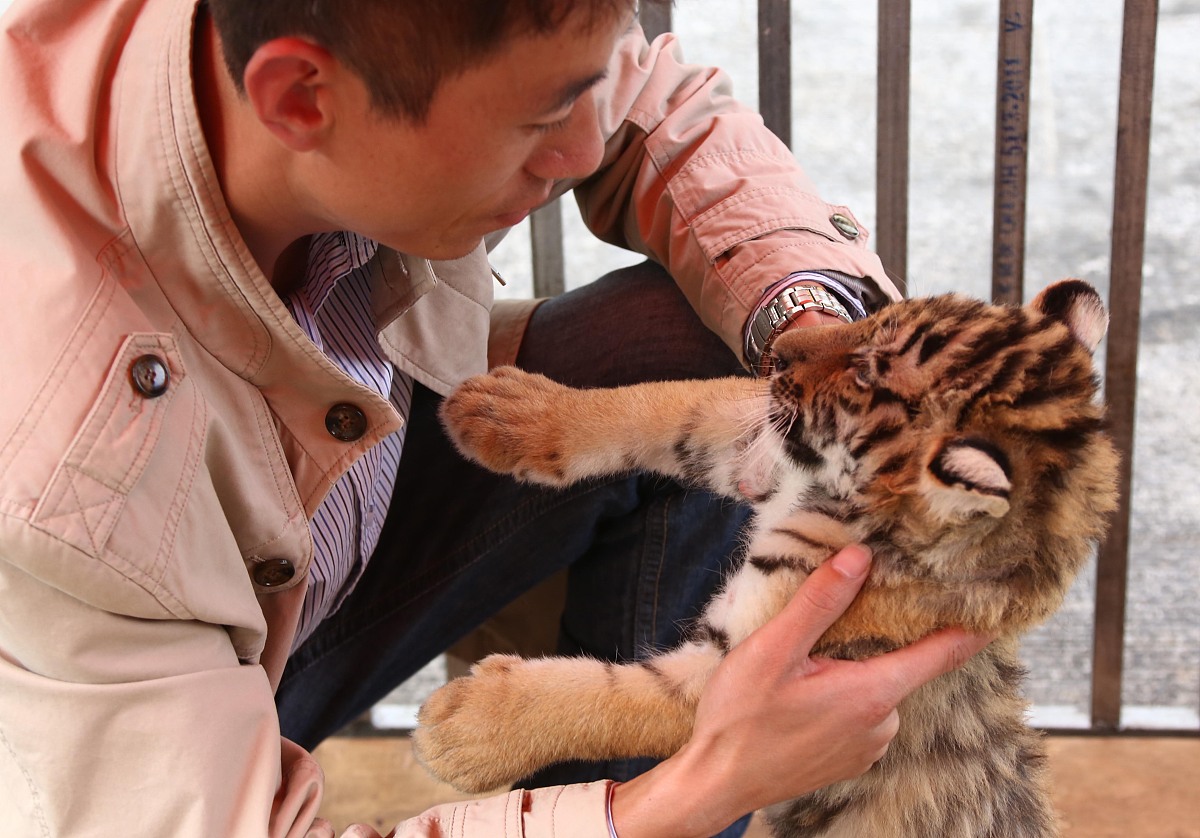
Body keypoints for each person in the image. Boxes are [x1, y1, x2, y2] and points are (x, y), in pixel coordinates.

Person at [0, 0, 990, 835]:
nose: (588, 144)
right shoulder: (59, 458)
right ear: (302, 97)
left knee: (707, 349)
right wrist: (701, 785)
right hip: (125, 708)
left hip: (312, 539)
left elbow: (650, 105)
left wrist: (810, 324)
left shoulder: (349, 39)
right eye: (541, 120)